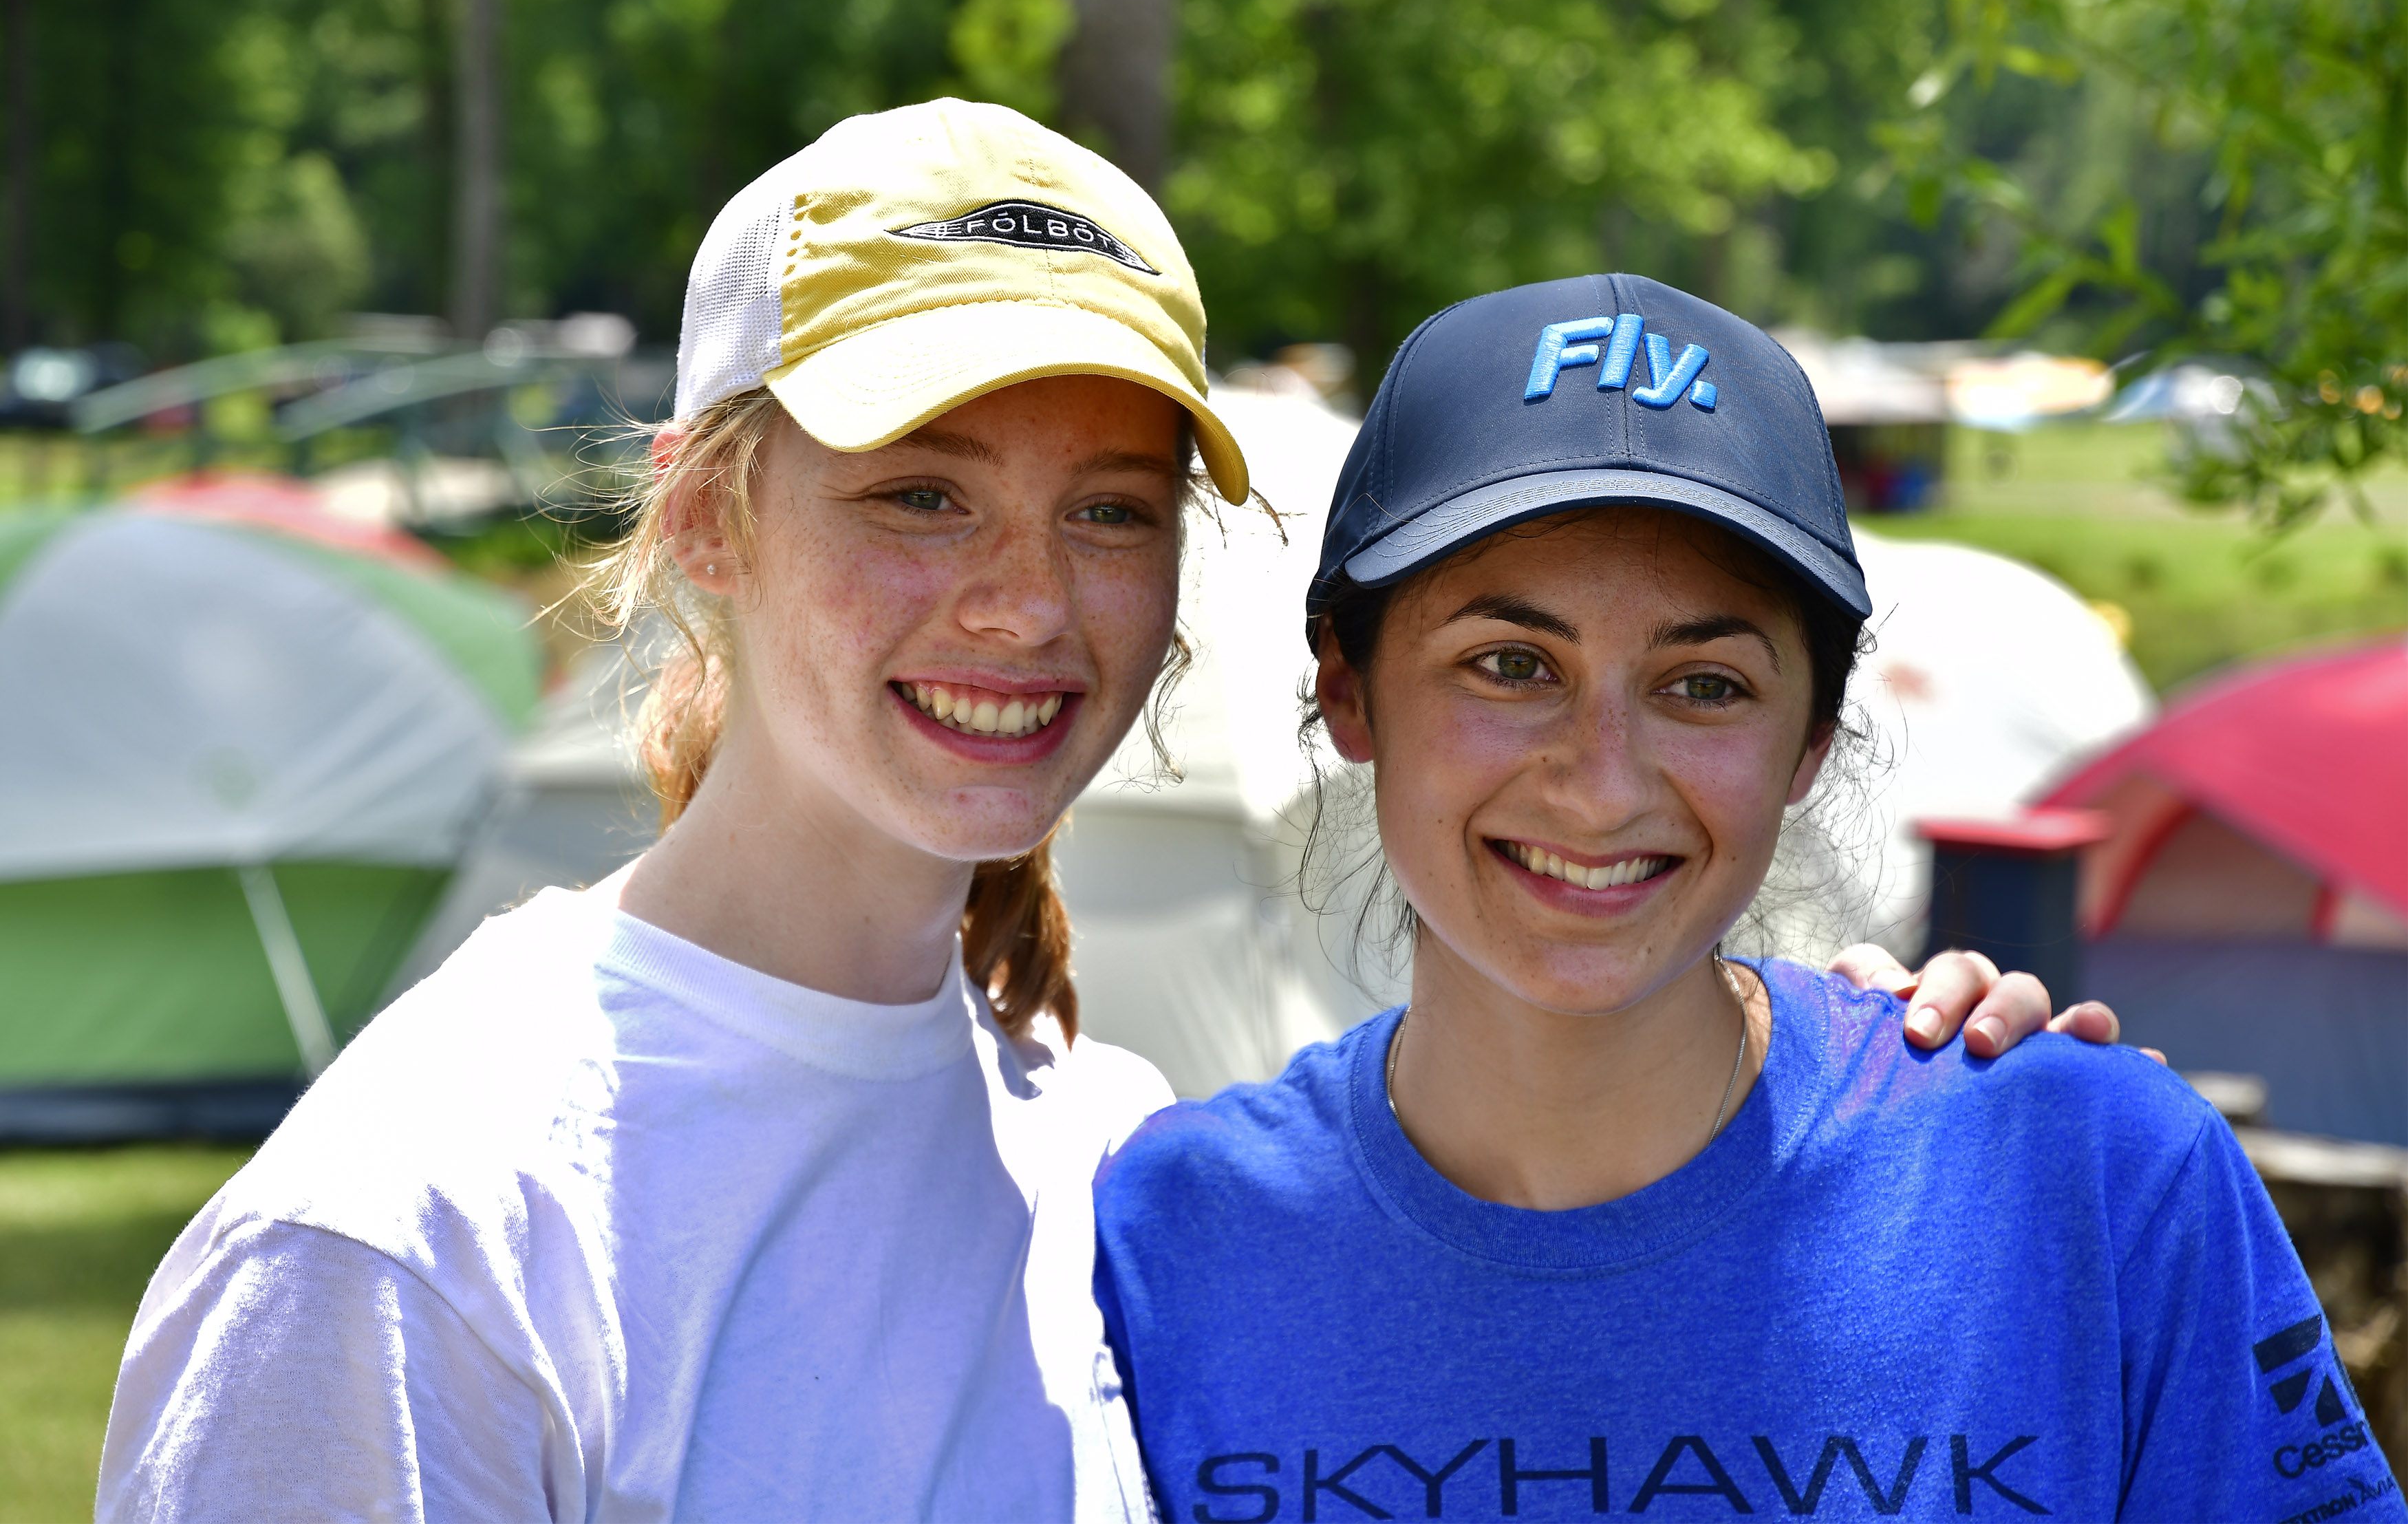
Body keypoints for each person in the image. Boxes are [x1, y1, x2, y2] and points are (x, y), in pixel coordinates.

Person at [100, 109, 2107, 1523]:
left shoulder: (1117, 1162)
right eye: (922, 493)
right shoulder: (410, 1237)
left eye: (1111, 512)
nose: (1029, 603)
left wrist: (1853, 1085)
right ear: (706, 513)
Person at [1094, 275, 2405, 1524]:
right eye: (1509, 663)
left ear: (1814, 736)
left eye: (1704, 684)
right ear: (1349, 686)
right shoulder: (1167, 1240)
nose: (1603, 786)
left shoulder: (2092, 1179)